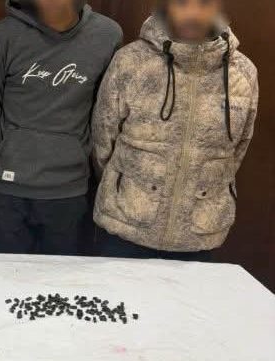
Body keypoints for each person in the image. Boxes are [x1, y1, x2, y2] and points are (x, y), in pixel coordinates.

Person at [92, 0, 259, 261]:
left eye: (204, 3)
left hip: (199, 233)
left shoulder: (243, 72)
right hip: (126, 225)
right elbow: (104, 135)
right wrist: (122, 184)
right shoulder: (130, 61)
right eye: (181, 3)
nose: (193, 13)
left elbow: (238, 146)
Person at [0, 0, 122, 255]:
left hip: (69, 187)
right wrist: (7, 155)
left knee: (62, 276)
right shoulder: (2, 35)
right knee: (7, 273)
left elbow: (103, 112)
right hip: (10, 187)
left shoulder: (107, 35)